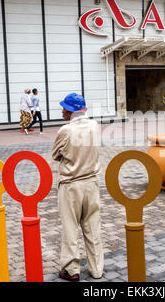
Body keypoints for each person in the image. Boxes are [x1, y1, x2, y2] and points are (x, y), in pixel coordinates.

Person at [52, 93, 103, 282]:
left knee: (70, 228)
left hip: (71, 184)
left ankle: (72, 270)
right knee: (92, 228)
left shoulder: (65, 130)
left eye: (64, 108)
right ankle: (97, 269)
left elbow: (55, 155)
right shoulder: (95, 126)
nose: (62, 111)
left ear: (71, 111)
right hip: (91, 182)